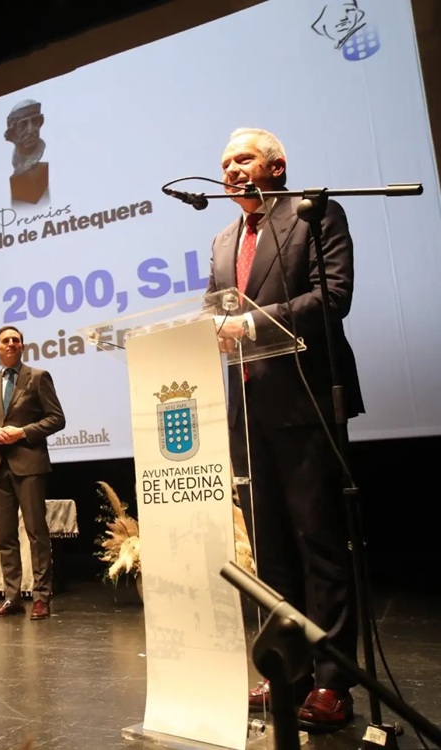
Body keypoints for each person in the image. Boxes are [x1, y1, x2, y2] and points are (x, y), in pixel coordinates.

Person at [207, 127, 362, 731]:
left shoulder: (312, 214)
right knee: (269, 552)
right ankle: (287, 673)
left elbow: (333, 296)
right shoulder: (223, 239)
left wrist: (252, 324)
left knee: (319, 545)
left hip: (305, 405)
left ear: (276, 166)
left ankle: (332, 683)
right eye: (225, 162)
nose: (231, 169)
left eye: (243, 158)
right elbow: (215, 310)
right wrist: (210, 329)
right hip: (247, 412)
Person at [0, 325, 65, 620]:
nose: (10, 343)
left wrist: (22, 432)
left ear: (22, 346)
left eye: (16, 340)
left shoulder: (38, 377)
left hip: (30, 465)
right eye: (5, 340)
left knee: (37, 534)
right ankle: (12, 598)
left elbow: (57, 419)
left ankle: (41, 597)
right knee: (6, 537)